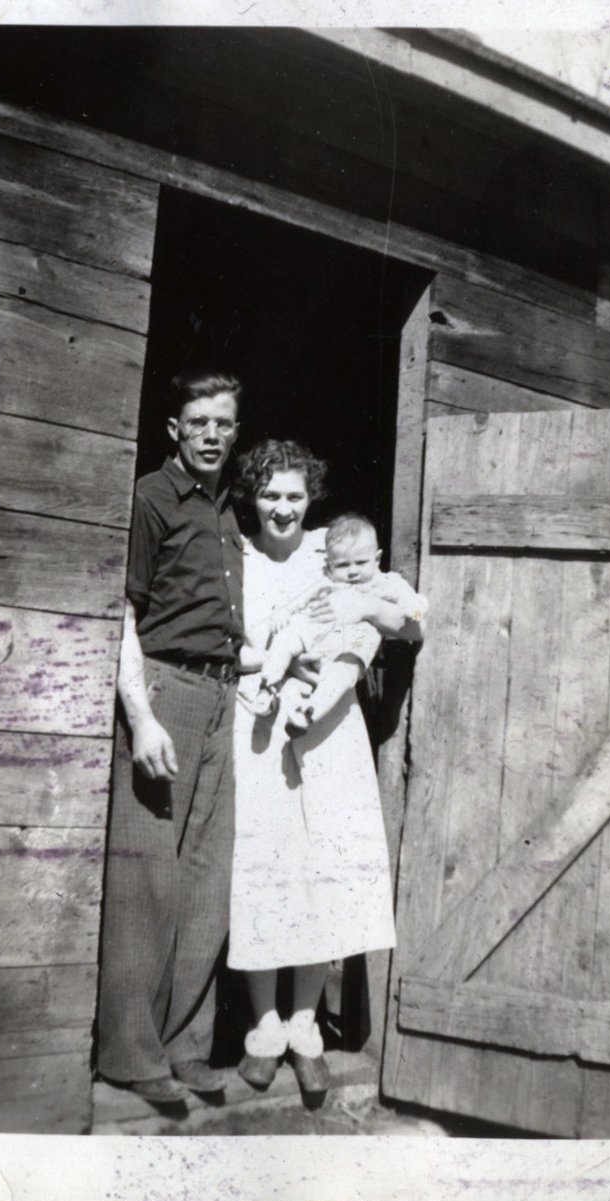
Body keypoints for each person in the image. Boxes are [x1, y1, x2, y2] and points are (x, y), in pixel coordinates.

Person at [228, 442, 423, 1099]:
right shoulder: (236, 557)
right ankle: (263, 1026)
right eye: (269, 496)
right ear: (249, 497)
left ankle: (307, 1024)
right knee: (264, 864)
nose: (282, 508)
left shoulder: (328, 550)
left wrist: (363, 609)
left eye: (294, 496)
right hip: (258, 727)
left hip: (330, 735)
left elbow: (406, 623)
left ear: (310, 498)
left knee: (318, 865)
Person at [94, 370, 244, 1104]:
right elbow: (123, 611)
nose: (212, 434)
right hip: (166, 690)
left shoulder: (226, 513)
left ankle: (187, 1047)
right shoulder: (153, 499)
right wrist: (141, 716)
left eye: (223, 422)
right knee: (147, 880)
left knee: (205, 881)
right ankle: (130, 1055)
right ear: (173, 430)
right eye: (199, 421)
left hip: (223, 696)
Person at [249, 512, 427, 735]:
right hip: (315, 629)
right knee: (286, 639)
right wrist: (284, 612)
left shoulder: (388, 583)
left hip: (354, 639)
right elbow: (300, 597)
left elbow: (419, 605)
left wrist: (413, 611)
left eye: (361, 563)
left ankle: (310, 712)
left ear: (377, 559)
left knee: (346, 669)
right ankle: (268, 687)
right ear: (329, 564)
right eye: (343, 565)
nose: (353, 571)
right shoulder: (325, 580)